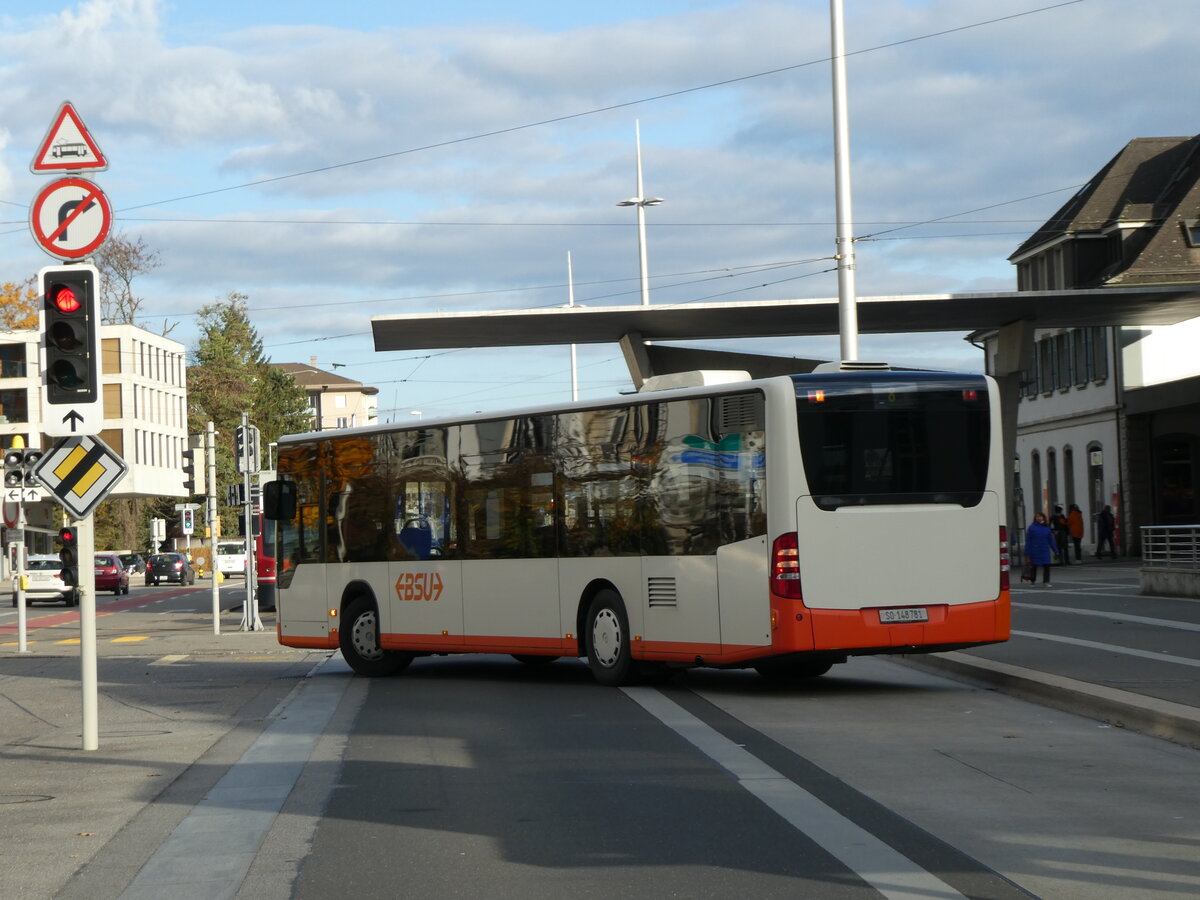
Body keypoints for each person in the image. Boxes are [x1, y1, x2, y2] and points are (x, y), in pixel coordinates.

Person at [1026, 511, 1057, 587]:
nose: (1039, 518)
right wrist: (1026, 552)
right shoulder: (1031, 527)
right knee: (1034, 566)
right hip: (1034, 550)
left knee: (1047, 566)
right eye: (1037, 517)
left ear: (1043, 517)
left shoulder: (1047, 528)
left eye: (1040, 516)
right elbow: (1028, 540)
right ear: (1035, 518)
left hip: (1044, 550)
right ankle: (1032, 581)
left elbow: (1051, 541)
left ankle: (1046, 582)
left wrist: (1056, 550)